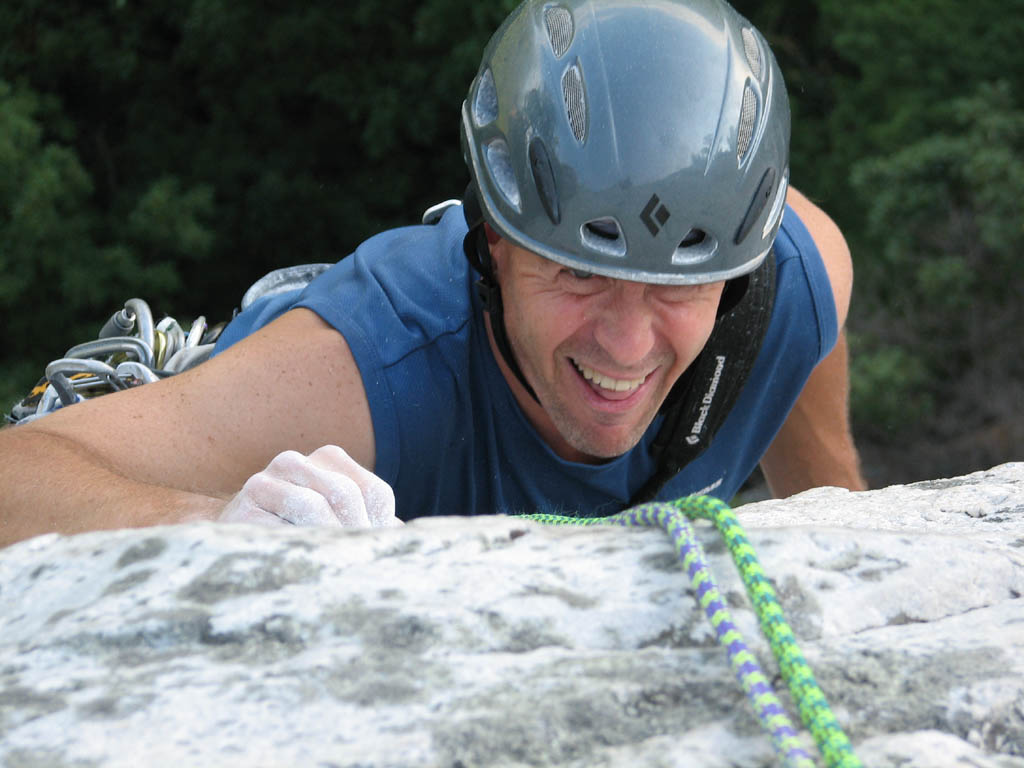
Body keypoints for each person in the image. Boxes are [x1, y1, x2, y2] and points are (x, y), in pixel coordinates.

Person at [0, 0, 865, 547]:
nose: (627, 345)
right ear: (493, 241)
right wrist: (211, 528)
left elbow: (832, 506)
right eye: (579, 275)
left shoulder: (795, 277)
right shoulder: (371, 375)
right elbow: (18, 477)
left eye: (679, 288)